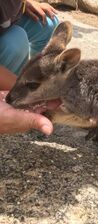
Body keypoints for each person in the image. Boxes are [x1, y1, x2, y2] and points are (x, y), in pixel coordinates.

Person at [0, 0, 59, 135]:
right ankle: (14, 98)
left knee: (49, 22)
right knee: (15, 42)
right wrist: (36, 93)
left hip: (8, 17)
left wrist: (24, 3)